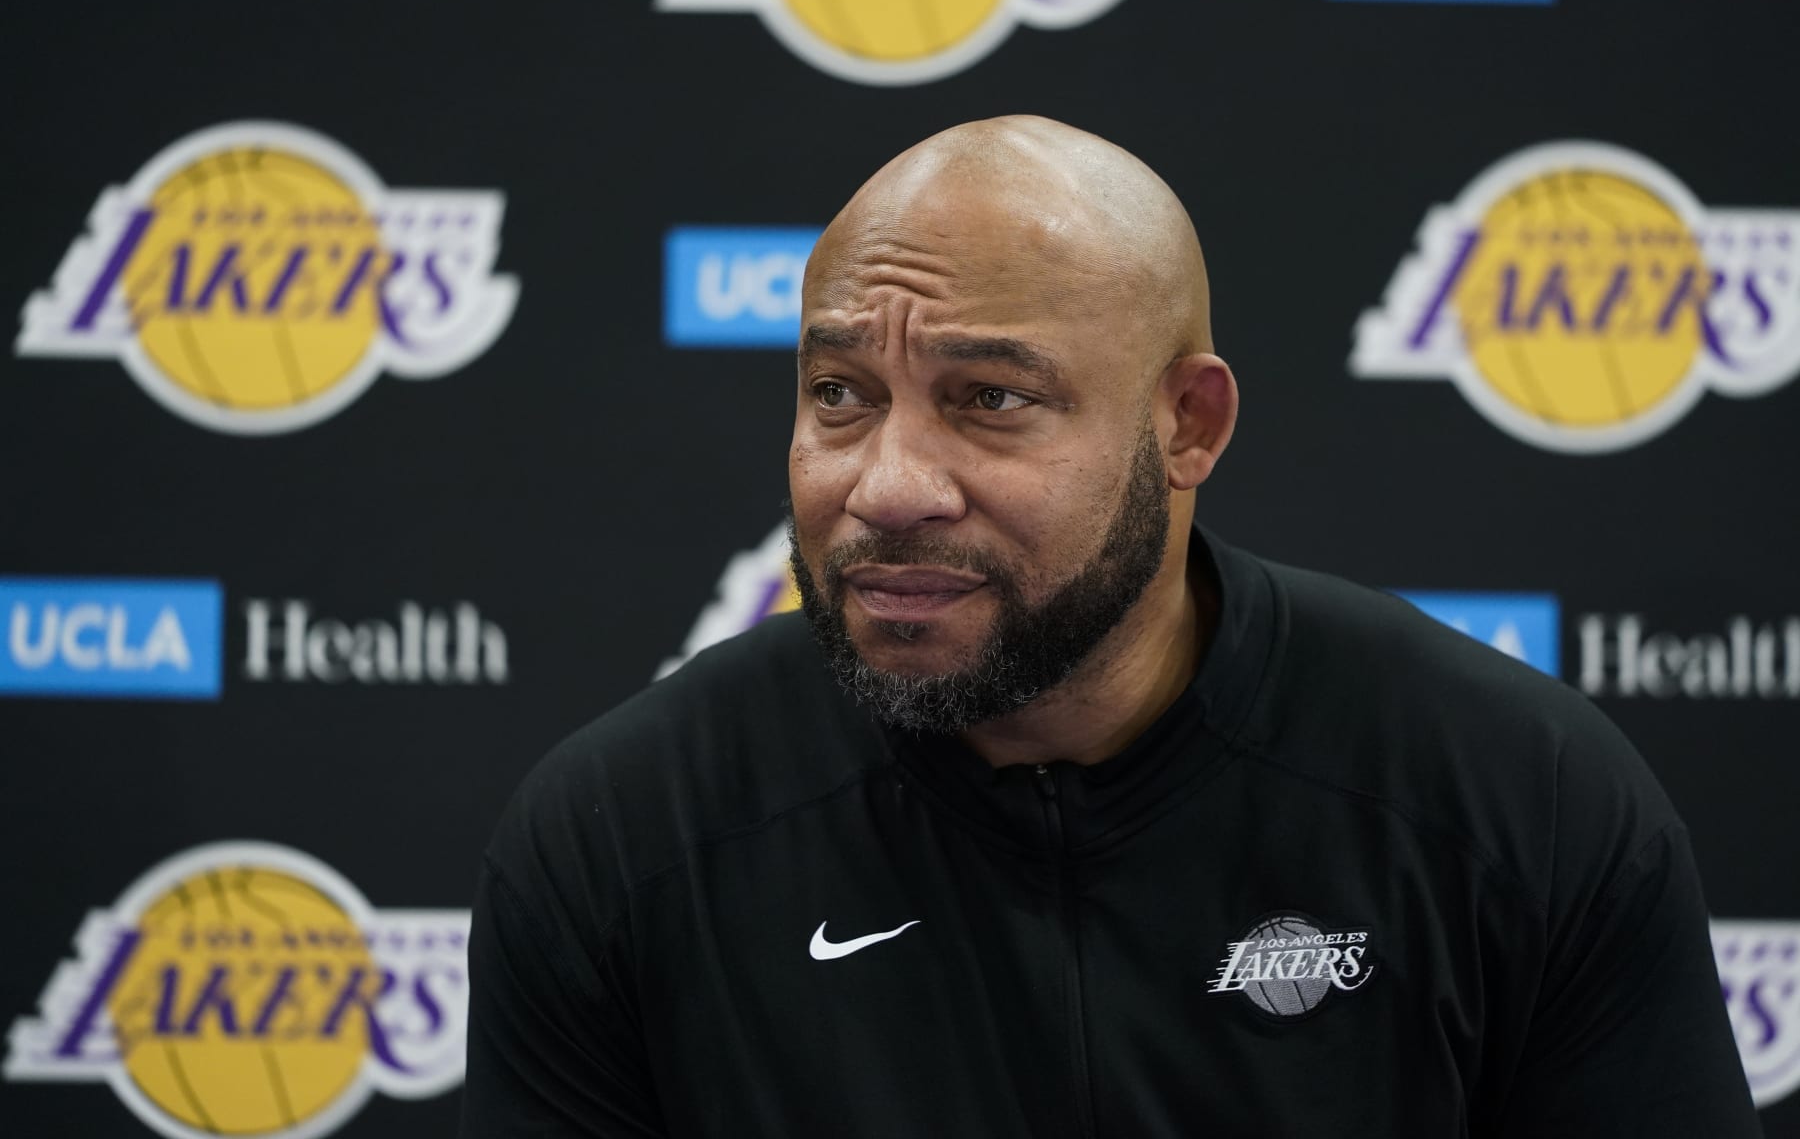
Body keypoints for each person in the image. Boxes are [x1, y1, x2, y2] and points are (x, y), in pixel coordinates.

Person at [460, 116, 1760, 1137]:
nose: (889, 485)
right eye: (842, 393)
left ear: (1187, 426)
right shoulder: (621, 839)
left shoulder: (1514, 800)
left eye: (987, 398)